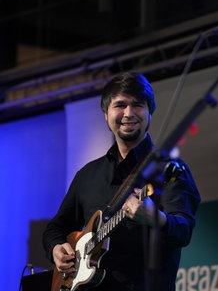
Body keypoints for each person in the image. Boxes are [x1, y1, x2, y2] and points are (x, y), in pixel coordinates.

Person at [42, 72, 201, 291]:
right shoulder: (88, 175)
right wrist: (56, 249)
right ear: (106, 114)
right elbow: (55, 228)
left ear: (149, 112)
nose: (129, 113)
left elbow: (184, 230)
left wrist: (156, 218)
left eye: (138, 105)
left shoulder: (169, 169)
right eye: (120, 105)